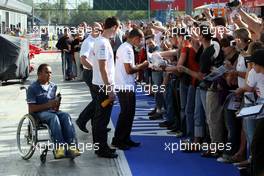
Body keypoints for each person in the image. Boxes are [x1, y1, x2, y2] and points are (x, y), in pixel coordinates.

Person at [26, 64, 80, 159]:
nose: (49, 74)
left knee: (65, 115)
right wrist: (49, 105)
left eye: (50, 72)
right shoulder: (32, 88)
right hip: (39, 114)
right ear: (39, 74)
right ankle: (59, 149)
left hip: (51, 111)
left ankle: (72, 147)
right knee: (54, 117)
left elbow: (55, 108)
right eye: (46, 72)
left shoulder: (53, 86)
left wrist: (57, 102)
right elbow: (32, 109)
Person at [111, 28, 149, 150]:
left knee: (129, 113)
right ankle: (118, 139)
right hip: (124, 86)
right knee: (126, 113)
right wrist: (142, 66)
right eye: (140, 39)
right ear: (136, 38)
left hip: (125, 85)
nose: (141, 42)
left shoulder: (125, 47)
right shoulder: (127, 49)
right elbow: (129, 69)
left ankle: (125, 138)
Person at [91, 17, 120, 158]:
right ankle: (101, 148)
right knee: (101, 119)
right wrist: (109, 88)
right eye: (118, 28)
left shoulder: (101, 41)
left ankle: (101, 146)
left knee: (100, 119)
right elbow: (103, 68)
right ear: (114, 27)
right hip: (103, 86)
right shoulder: (102, 43)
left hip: (101, 84)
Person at [76, 22, 103, 133]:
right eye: (97, 29)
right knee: (99, 99)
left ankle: (96, 124)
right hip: (90, 73)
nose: (99, 31)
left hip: (96, 73)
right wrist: (95, 69)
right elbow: (83, 59)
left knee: (97, 99)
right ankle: (82, 120)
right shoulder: (88, 42)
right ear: (92, 29)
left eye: (101, 29)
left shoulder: (99, 40)